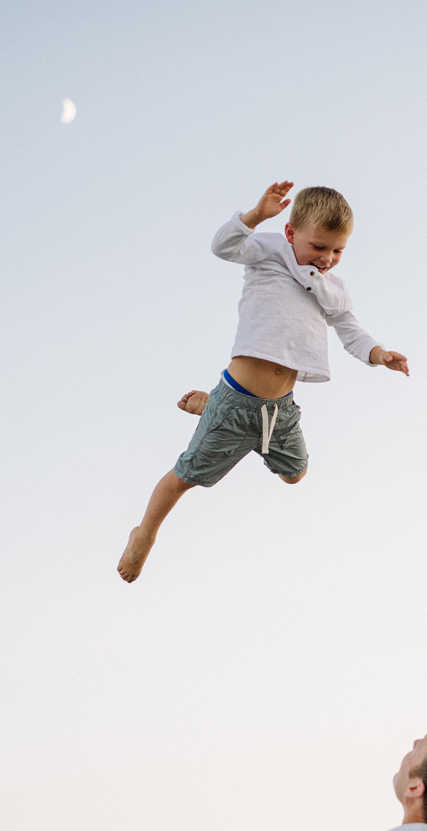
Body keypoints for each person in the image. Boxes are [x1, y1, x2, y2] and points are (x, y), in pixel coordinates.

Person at [117, 181, 409, 582]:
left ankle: (212, 407)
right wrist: (255, 216)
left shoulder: (333, 289)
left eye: (338, 250)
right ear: (291, 233)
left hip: (280, 411)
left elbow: (351, 331)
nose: (326, 259)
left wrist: (380, 355)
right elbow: (222, 246)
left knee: (295, 475)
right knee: (186, 478)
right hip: (236, 405)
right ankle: (145, 533)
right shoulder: (267, 250)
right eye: (319, 247)